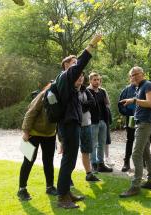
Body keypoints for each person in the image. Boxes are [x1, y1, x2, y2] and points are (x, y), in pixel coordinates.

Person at [56, 34, 102, 209]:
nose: (77, 65)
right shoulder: (66, 76)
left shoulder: (66, 80)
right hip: (68, 124)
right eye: (74, 63)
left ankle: (66, 192)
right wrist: (92, 43)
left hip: (70, 123)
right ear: (68, 66)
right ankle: (62, 198)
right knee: (69, 159)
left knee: (69, 159)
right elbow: (82, 62)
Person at [119, 66, 151, 197]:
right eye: (131, 75)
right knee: (146, 153)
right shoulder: (139, 87)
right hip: (141, 123)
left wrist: (134, 100)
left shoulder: (148, 85)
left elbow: (150, 103)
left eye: (136, 74)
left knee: (135, 154)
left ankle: (135, 186)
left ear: (142, 74)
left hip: (145, 124)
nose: (134, 77)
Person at [18, 82, 57, 201]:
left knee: (48, 161)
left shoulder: (62, 97)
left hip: (50, 134)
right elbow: (30, 112)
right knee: (28, 160)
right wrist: (25, 131)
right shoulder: (43, 95)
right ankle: (22, 189)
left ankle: (50, 187)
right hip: (33, 133)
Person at [88, 72, 113, 173]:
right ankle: (93, 164)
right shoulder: (87, 91)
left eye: (98, 80)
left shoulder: (102, 91)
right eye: (94, 79)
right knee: (93, 144)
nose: (97, 81)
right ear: (90, 80)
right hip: (93, 122)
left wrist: (106, 111)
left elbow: (108, 103)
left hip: (103, 121)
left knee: (102, 143)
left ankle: (101, 164)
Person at [77, 73, 100, 182]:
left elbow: (92, 102)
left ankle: (89, 174)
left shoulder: (84, 89)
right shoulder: (69, 90)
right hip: (74, 125)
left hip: (86, 124)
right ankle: (67, 178)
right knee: (69, 152)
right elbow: (74, 105)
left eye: (82, 76)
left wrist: (82, 106)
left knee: (86, 150)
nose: (81, 78)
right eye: (78, 76)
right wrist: (83, 105)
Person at [118, 76, 137, 172]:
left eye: (136, 77)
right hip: (130, 118)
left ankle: (143, 161)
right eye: (132, 77)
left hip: (143, 118)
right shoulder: (126, 90)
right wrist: (127, 112)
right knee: (130, 139)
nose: (134, 79)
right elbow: (120, 104)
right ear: (130, 78)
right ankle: (126, 162)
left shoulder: (144, 88)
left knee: (144, 140)